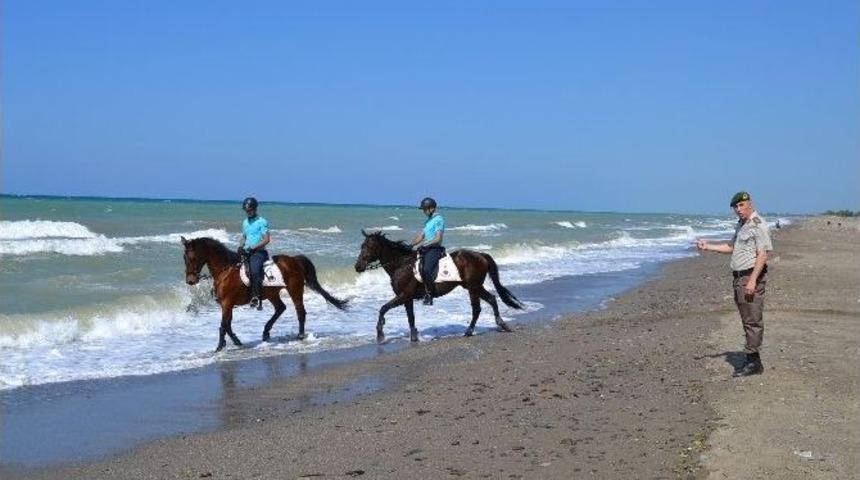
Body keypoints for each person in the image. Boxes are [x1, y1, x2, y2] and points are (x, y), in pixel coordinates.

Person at [697, 191, 773, 377]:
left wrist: (753, 280)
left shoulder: (758, 225)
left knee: (753, 320)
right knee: (747, 318)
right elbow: (731, 247)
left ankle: (754, 362)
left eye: (741, 205)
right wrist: (708, 247)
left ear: (750, 204)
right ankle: (752, 358)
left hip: (749, 277)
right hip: (739, 278)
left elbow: (763, 254)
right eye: (735, 207)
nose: (738, 209)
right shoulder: (741, 225)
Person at [411, 197, 445, 305]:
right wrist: (410, 244)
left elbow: (438, 239)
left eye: (425, 209)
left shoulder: (439, 219)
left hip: (435, 249)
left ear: (432, 209)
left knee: (426, 269)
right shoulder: (428, 221)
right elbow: (421, 236)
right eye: (423, 209)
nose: (424, 212)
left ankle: (430, 294)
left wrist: (424, 245)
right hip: (426, 248)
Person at [238, 197, 270, 310]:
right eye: (246, 210)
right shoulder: (245, 222)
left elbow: (266, 239)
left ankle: (255, 296)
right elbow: (244, 237)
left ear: (255, 209)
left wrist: (254, 248)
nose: (247, 212)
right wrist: (240, 246)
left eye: (249, 210)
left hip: (259, 252)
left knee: (254, 270)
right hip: (246, 252)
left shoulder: (262, 221)